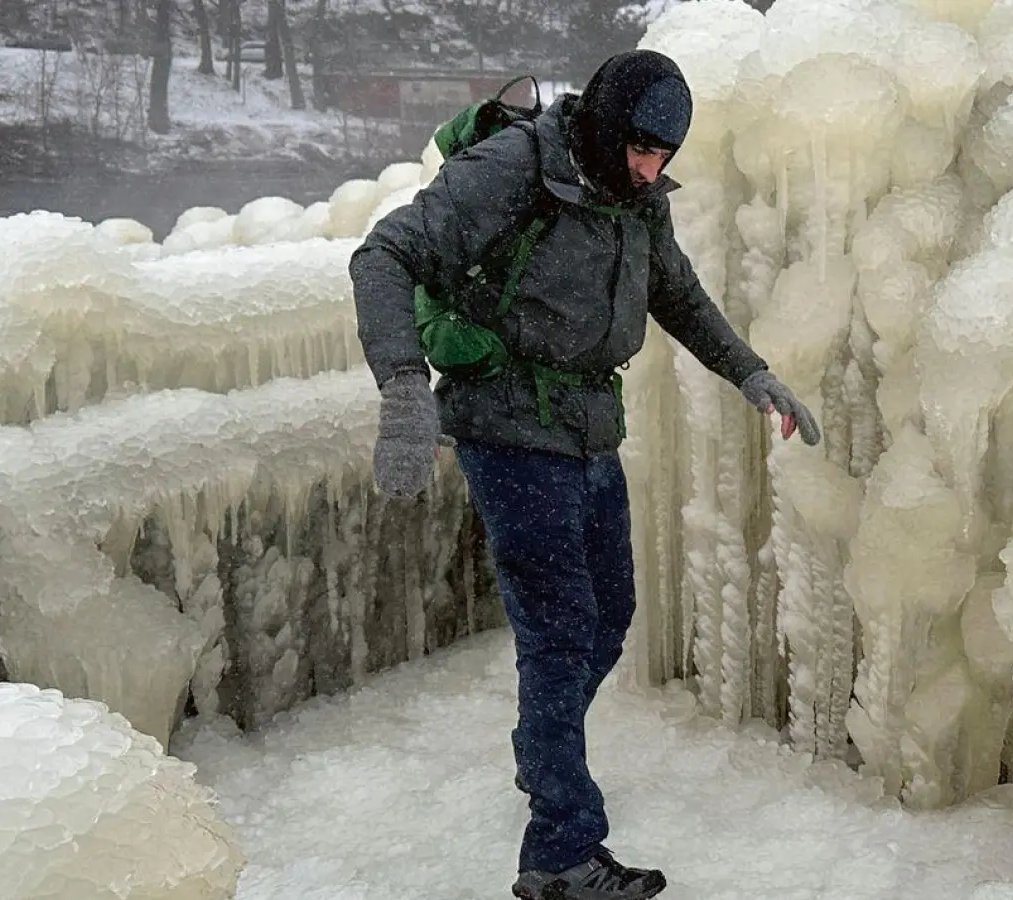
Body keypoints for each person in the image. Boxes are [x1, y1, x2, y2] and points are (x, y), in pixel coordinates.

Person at [349, 50, 821, 900]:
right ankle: (561, 853)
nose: (651, 169)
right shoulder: (515, 167)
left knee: (609, 613)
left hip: (588, 428)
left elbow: (677, 296)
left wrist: (752, 373)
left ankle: (542, 755)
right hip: (506, 425)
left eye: (665, 157)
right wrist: (404, 385)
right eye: (641, 149)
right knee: (561, 625)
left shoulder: (638, 200)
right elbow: (384, 255)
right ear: (605, 127)